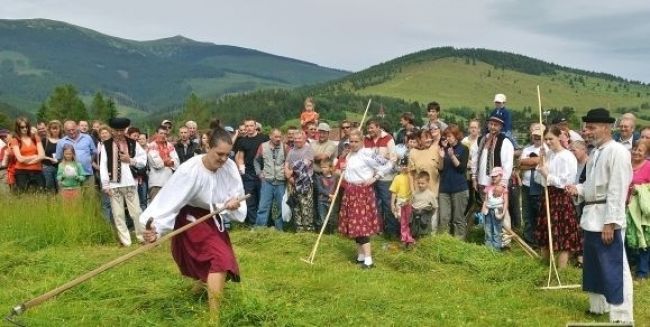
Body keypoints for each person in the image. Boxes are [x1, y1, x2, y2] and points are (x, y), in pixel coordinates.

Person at [141, 126, 245, 318]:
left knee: (215, 260)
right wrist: (156, 228)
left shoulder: (229, 166)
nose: (223, 159)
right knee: (220, 260)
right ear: (208, 147)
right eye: (219, 154)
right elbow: (170, 201)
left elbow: (236, 193)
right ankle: (214, 318)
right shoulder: (189, 170)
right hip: (189, 218)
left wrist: (233, 203)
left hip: (211, 217)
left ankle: (195, 297)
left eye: (227, 154)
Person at [566, 108, 634, 324]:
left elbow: (617, 189)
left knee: (615, 266)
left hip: (607, 217)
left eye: (592, 128)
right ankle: (598, 307)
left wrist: (611, 223)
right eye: (586, 127)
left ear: (606, 128)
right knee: (594, 265)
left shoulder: (618, 152)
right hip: (591, 216)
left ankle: (622, 315)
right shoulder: (595, 153)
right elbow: (592, 186)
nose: (587, 131)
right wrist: (578, 189)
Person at [338, 129, 393, 269]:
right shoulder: (349, 154)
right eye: (351, 141)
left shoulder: (368, 153)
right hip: (350, 191)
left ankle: (369, 260)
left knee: (361, 226)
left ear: (362, 141)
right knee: (354, 225)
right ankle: (360, 256)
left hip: (362, 193)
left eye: (356, 141)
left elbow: (388, 164)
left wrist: (375, 178)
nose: (353, 144)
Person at [534, 126, 581, 269]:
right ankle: (545, 267)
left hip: (560, 198)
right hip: (547, 195)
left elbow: (565, 182)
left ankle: (561, 271)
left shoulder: (567, 156)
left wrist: (547, 174)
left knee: (561, 234)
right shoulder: (549, 155)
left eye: (551, 139)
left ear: (559, 137)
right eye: (546, 139)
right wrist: (541, 160)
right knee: (545, 232)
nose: (548, 142)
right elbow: (539, 179)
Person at [99, 117, 147, 247]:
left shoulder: (133, 143)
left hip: (130, 183)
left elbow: (143, 159)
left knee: (136, 212)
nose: (119, 133)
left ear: (125, 130)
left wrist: (131, 160)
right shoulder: (106, 145)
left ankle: (142, 237)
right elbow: (103, 165)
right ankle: (126, 241)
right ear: (112, 130)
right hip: (114, 184)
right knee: (118, 214)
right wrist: (105, 184)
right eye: (116, 130)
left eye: (121, 130)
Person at [364, 119, 398, 237]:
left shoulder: (388, 138)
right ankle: (378, 230)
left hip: (386, 178)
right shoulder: (366, 139)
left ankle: (391, 232)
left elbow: (393, 160)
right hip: (371, 178)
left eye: (372, 127)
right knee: (374, 205)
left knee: (388, 205)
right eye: (368, 128)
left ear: (378, 127)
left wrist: (380, 173)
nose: (369, 130)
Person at [234, 119, 269, 225]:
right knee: (249, 200)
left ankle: (264, 224)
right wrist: (241, 168)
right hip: (248, 173)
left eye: (251, 126)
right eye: (247, 126)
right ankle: (254, 224)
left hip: (262, 173)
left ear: (255, 126)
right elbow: (240, 157)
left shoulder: (263, 138)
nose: (249, 128)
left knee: (263, 200)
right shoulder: (242, 141)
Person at [438, 124, 470, 238]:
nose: (448, 138)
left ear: (456, 136)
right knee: (444, 218)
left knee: (458, 218)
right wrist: (441, 157)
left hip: (459, 188)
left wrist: (452, 156)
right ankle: (444, 242)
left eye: (450, 136)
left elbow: (461, 169)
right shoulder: (444, 149)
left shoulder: (464, 149)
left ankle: (459, 243)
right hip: (444, 189)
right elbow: (440, 169)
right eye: (446, 136)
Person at [625, 140, 650, 280]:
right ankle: (627, 270)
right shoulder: (626, 165)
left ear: (646, 153)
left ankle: (642, 272)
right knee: (627, 239)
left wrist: (640, 189)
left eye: (640, 150)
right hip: (625, 208)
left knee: (643, 240)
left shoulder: (648, 166)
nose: (636, 152)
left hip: (641, 210)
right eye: (634, 149)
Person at [253, 129, 287, 230]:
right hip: (267, 181)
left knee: (280, 207)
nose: (278, 139)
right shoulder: (263, 146)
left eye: (280, 137)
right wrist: (259, 173)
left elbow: (289, 162)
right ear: (270, 136)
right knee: (263, 207)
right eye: (276, 137)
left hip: (281, 181)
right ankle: (260, 229)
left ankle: (279, 229)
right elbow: (256, 161)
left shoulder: (285, 147)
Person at [519, 123, 545, 245]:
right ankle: (529, 239)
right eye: (534, 135)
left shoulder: (546, 149)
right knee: (527, 213)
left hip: (540, 185)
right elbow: (520, 164)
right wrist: (535, 162)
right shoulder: (526, 149)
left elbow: (542, 160)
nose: (536, 138)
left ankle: (540, 240)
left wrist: (529, 162)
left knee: (539, 213)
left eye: (539, 136)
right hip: (526, 185)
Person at [284, 131, 315, 232]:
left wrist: (291, 170)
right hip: (293, 183)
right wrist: (288, 176)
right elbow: (286, 163)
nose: (297, 140)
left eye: (299, 138)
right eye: (295, 138)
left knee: (306, 208)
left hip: (305, 184)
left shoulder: (309, 150)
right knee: (296, 207)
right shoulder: (291, 151)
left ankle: (309, 231)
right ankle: (300, 231)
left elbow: (304, 165)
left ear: (304, 139)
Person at [56, 120, 97, 187]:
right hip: (69, 179)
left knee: (90, 196)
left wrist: (89, 162)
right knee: (73, 197)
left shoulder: (87, 138)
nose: (71, 132)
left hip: (87, 174)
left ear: (77, 127)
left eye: (73, 129)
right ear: (65, 131)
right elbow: (59, 158)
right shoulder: (61, 142)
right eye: (68, 130)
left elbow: (94, 152)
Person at [10, 117, 45, 192]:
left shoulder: (35, 138)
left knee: (40, 194)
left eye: (27, 126)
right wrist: (34, 156)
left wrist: (27, 161)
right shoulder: (15, 140)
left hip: (37, 171)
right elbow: (19, 159)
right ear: (17, 128)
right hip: (21, 172)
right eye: (22, 127)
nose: (25, 129)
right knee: (23, 196)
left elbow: (42, 155)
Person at [147, 126, 180, 202]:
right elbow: (157, 164)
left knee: (168, 205)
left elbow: (177, 162)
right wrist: (169, 161)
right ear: (156, 134)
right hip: (156, 182)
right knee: (155, 206)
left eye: (165, 133)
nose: (163, 135)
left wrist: (169, 161)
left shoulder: (170, 145)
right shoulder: (151, 145)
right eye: (161, 133)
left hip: (169, 181)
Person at [390, 156, 414, 247]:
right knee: (402, 220)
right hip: (399, 201)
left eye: (405, 165)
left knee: (409, 220)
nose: (404, 167)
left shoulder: (411, 176)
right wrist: (392, 204)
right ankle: (404, 237)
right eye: (402, 165)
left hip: (409, 200)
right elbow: (394, 192)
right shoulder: (397, 177)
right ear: (399, 166)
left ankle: (409, 238)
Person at [410, 171, 438, 237]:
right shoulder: (415, 193)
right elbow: (412, 203)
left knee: (424, 231)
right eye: (418, 183)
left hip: (425, 216)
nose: (420, 185)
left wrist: (429, 214)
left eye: (422, 183)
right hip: (415, 215)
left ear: (427, 183)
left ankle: (425, 241)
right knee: (414, 231)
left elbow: (435, 206)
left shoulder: (430, 194)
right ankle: (415, 241)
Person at [315, 159, 338, 232]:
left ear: (330, 168)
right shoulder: (319, 178)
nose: (323, 169)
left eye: (325, 167)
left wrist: (332, 196)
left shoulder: (334, 178)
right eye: (322, 167)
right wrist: (329, 195)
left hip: (331, 201)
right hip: (322, 201)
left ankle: (331, 233)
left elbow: (335, 188)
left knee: (331, 218)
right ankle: (322, 233)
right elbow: (319, 189)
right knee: (322, 218)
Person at [41, 120, 62, 193]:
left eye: (57, 128)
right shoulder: (45, 140)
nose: (55, 130)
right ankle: (50, 203)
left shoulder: (62, 141)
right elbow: (41, 155)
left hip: (60, 167)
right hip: (47, 167)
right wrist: (50, 159)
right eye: (53, 128)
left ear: (60, 129)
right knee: (49, 188)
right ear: (50, 129)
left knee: (60, 187)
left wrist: (59, 160)